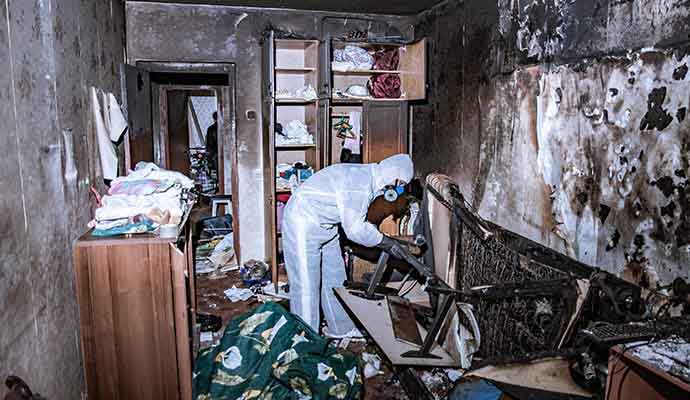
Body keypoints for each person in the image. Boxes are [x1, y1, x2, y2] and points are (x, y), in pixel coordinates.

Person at [281, 153, 414, 337]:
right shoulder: (360, 184)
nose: (399, 191)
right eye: (401, 186)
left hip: (326, 224)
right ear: (395, 177)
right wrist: (386, 242)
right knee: (306, 285)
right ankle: (306, 339)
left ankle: (340, 328)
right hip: (303, 221)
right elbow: (355, 230)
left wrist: (383, 240)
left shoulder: (371, 178)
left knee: (335, 277)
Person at [205, 112, 218, 177]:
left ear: (213, 118)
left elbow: (209, 144)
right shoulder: (225, 128)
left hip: (214, 154)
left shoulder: (211, 128)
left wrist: (209, 158)